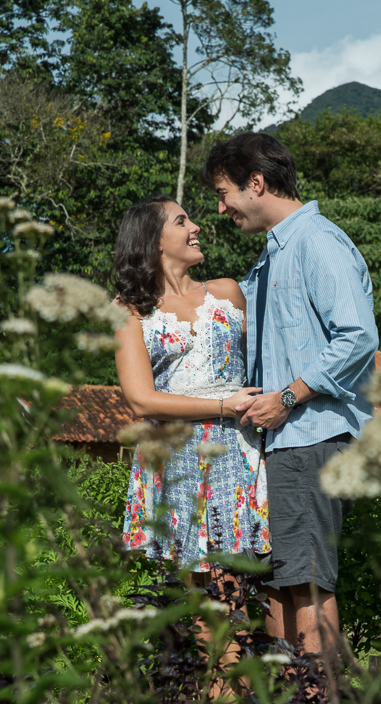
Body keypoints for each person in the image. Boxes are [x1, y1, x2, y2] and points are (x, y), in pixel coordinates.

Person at [200, 133, 379, 660]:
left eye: (224, 192)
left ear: (256, 183)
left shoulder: (316, 242)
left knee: (309, 584)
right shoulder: (274, 254)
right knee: (281, 580)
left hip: (310, 434)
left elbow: (358, 336)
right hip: (284, 441)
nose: (220, 207)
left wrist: (289, 395)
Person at [113, 192, 270, 577]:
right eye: (181, 222)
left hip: (238, 447)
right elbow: (141, 400)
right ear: (153, 240)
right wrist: (222, 406)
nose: (196, 227)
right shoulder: (129, 311)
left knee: (242, 584)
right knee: (200, 594)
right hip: (178, 455)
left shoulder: (228, 291)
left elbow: (262, 364)